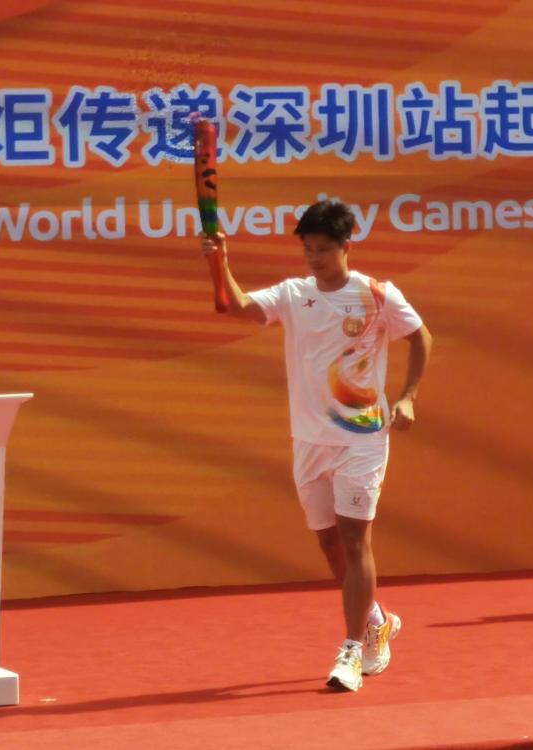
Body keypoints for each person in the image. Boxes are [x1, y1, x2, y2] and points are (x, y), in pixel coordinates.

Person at [200, 199, 432, 692]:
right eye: (308, 249)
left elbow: (420, 337)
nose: (314, 258)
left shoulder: (376, 295)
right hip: (309, 441)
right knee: (329, 545)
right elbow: (231, 306)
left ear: (346, 246)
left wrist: (408, 396)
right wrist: (219, 262)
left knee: (354, 538)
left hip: (362, 437)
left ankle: (352, 651)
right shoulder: (293, 294)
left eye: (323, 249)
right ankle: (376, 620)